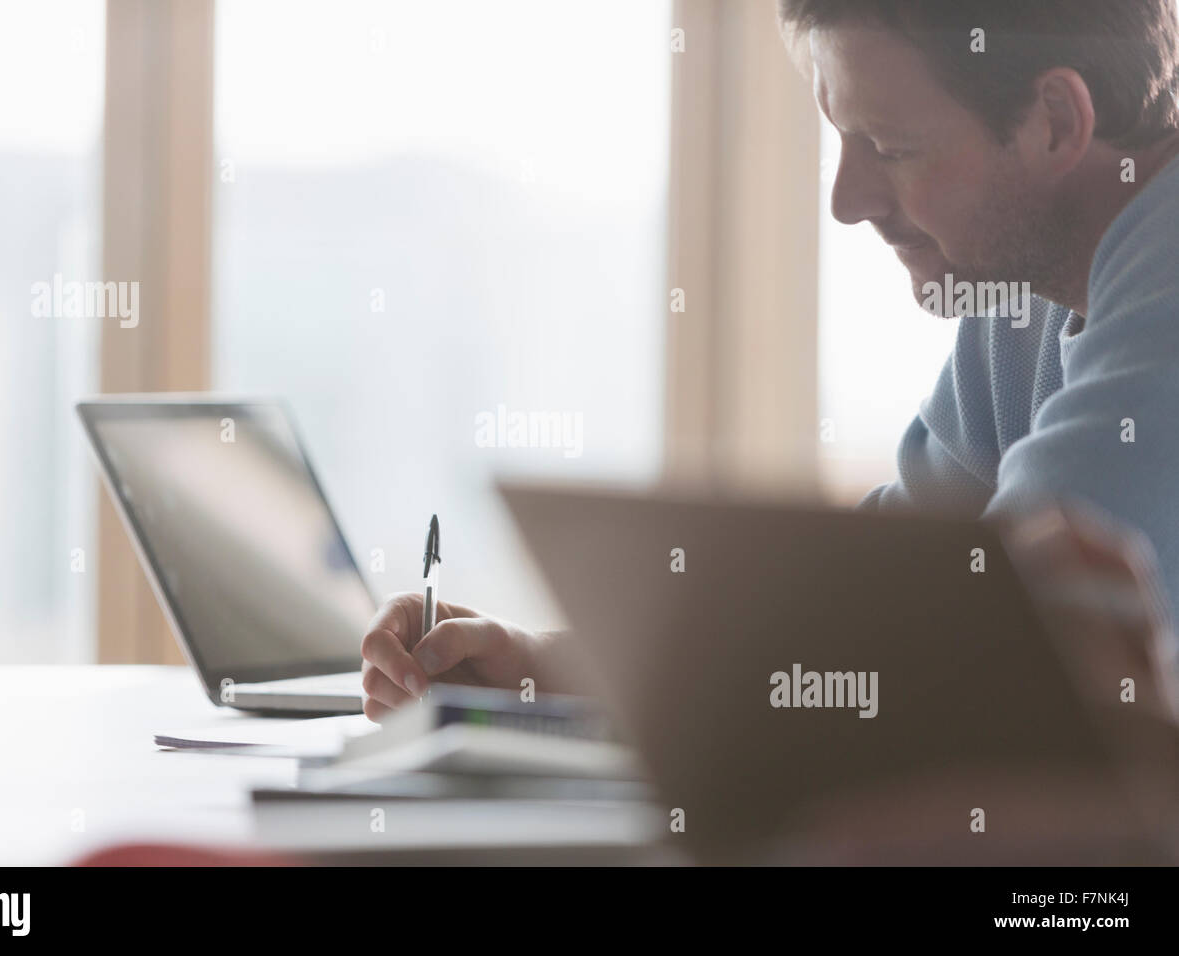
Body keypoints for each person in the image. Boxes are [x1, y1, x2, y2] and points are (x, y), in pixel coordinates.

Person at [361, 0, 1179, 730]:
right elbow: (867, 603)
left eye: (891, 148)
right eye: (842, 140)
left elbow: (984, 657)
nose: (848, 200)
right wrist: (543, 670)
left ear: (1055, 122)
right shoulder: (1025, 305)